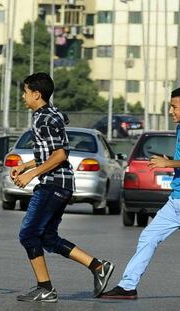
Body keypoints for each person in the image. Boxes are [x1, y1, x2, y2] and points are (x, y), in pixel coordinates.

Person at [11, 72, 114, 303]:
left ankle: (45, 288)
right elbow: (49, 152)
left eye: (26, 92)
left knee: (28, 235)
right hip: (59, 183)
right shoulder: (49, 114)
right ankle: (98, 266)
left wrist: (31, 176)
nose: (23, 96)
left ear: (37, 95)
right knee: (47, 237)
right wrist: (25, 166)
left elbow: (60, 154)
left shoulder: (44, 119)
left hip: (53, 184)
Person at [101, 88, 180, 300]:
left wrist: (169, 163)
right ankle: (128, 286)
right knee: (148, 236)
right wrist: (170, 160)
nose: (170, 111)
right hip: (176, 202)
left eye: (174, 106)